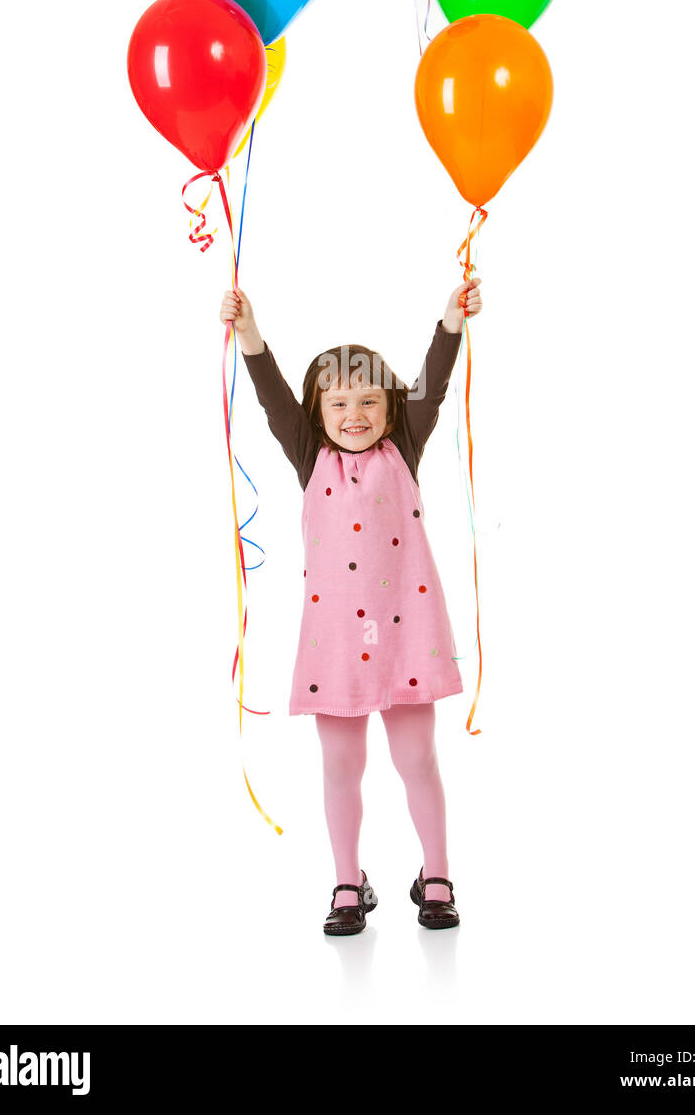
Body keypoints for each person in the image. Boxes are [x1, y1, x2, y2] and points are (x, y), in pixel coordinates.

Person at [219, 276, 483, 935]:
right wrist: (248, 333)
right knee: (341, 766)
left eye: (369, 400)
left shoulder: (406, 447)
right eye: (339, 403)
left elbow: (434, 383)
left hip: (407, 638)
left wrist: (450, 322)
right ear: (318, 412)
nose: (355, 414)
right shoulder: (311, 457)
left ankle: (437, 873)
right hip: (334, 643)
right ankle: (347, 881)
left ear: (392, 410)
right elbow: (273, 398)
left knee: (417, 759)